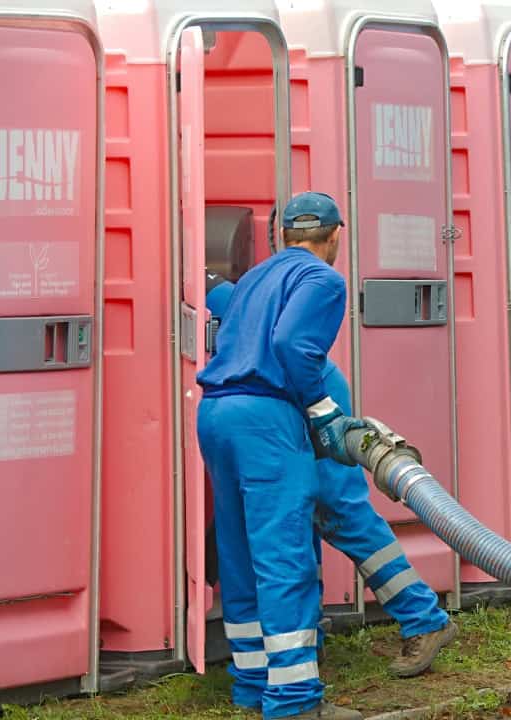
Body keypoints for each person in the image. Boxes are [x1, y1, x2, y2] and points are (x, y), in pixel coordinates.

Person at [196, 192, 457, 720]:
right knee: (288, 549)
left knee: (266, 541)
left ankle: (259, 679)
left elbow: (223, 301)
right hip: (281, 408)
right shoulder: (320, 279)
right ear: (337, 234)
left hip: (228, 411)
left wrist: (194, 273)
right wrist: (321, 410)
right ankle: (292, 697)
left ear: (280, 234)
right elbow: (294, 343)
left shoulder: (255, 280)